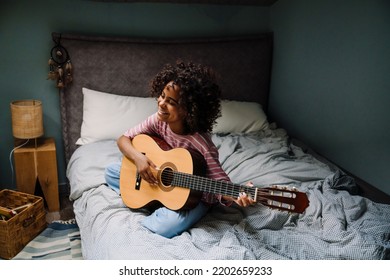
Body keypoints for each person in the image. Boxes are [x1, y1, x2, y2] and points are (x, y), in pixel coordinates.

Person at [104, 61, 255, 238]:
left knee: (166, 226)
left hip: (194, 196)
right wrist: (139, 159)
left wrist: (236, 194)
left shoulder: (202, 145)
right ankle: (154, 196)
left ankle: (156, 201)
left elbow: (220, 180)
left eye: (171, 102)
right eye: (161, 96)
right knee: (111, 172)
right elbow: (123, 139)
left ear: (189, 110)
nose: (161, 103)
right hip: (160, 180)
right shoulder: (157, 120)